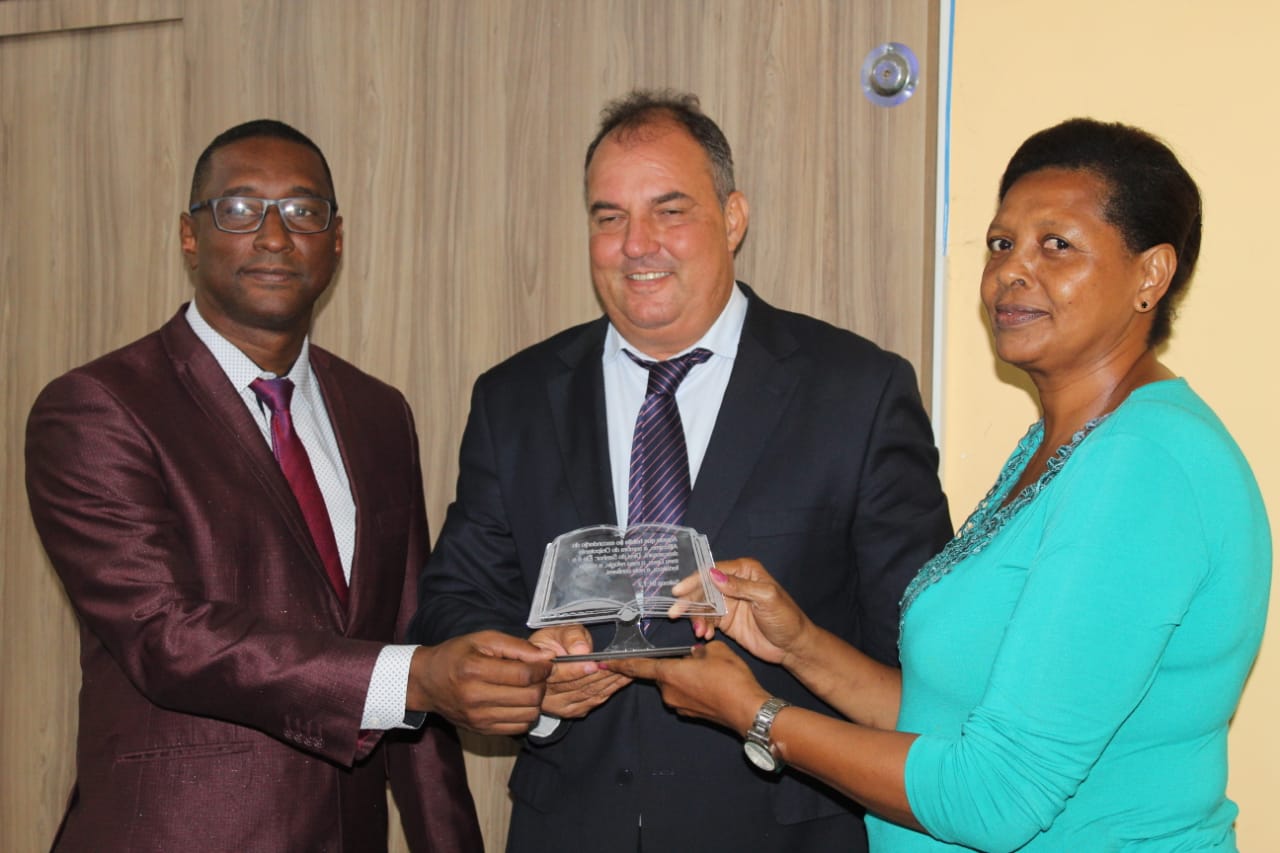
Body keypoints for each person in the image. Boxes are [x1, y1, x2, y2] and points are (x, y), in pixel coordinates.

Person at [609, 118, 1272, 851]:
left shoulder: (1145, 463)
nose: (1011, 272)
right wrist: (798, 646)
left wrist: (753, 713)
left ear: (1151, 275)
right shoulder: (1057, 445)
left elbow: (995, 795)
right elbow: (946, 723)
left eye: (1057, 245)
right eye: (1001, 244)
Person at [409, 90, 951, 852]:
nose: (637, 244)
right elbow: (452, 605)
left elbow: (925, 658)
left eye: (669, 210)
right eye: (609, 217)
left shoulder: (857, 393)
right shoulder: (515, 398)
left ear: (733, 218)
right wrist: (533, 679)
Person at [25, 119, 555, 852]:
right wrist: (415, 677)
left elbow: (408, 636)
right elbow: (164, 634)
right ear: (189, 235)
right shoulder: (100, 407)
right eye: (241, 209)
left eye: (303, 211)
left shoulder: (378, 413)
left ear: (336, 241)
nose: (274, 237)